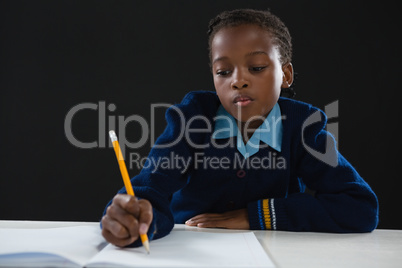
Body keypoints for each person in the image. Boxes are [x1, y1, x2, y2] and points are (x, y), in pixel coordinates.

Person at [101, 8, 379, 247]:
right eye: (223, 72)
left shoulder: (304, 128)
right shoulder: (192, 119)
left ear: (286, 74)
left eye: (256, 67)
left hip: (272, 251)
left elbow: (359, 207)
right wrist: (134, 217)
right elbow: (151, 187)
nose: (238, 81)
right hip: (188, 247)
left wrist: (256, 216)